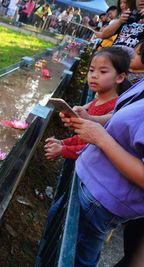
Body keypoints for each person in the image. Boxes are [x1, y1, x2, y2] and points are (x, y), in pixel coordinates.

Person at [57, 46, 144, 267]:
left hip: (103, 199)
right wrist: (91, 120)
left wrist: (101, 139)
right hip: (91, 182)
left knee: (78, 258)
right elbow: (120, 117)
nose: (134, 50)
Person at [44, 47, 120, 160]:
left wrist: (62, 150)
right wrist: (62, 142)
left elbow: (93, 148)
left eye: (103, 71)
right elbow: (83, 137)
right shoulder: (97, 99)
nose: (94, 75)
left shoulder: (113, 110)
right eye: (91, 70)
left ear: (119, 77)